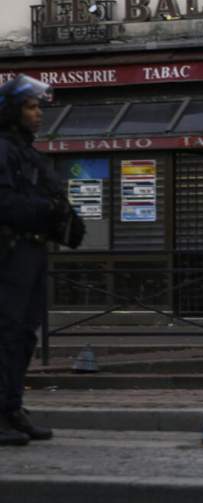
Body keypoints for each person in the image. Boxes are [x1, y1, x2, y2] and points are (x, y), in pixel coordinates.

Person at [0, 74, 85, 446]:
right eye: (31, 107)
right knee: (5, 334)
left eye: (37, 107)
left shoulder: (26, 150)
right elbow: (6, 203)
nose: (38, 114)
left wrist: (65, 220)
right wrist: (46, 211)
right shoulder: (2, 149)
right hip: (9, 252)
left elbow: (45, 197)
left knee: (23, 335)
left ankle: (12, 407)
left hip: (31, 252)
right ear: (12, 111)